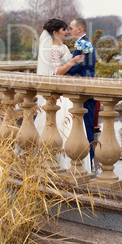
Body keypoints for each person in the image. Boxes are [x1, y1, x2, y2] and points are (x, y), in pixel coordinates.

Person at [35, 17, 91, 172]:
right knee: (61, 124)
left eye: (68, 29)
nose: (67, 32)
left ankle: (74, 162)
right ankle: (59, 162)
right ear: (55, 32)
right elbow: (56, 72)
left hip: (68, 89)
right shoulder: (52, 49)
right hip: (60, 93)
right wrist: (73, 61)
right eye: (63, 30)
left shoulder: (65, 47)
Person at [66, 18, 97, 167]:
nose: (68, 31)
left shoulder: (82, 44)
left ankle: (88, 163)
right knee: (84, 128)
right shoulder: (84, 43)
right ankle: (87, 162)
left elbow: (78, 67)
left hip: (85, 91)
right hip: (85, 90)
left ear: (79, 29)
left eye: (71, 28)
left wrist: (60, 72)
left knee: (86, 129)